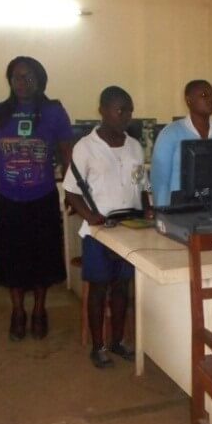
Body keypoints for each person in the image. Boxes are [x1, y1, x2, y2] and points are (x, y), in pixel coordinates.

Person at [0, 56, 73, 341]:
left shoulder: (53, 112)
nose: (22, 82)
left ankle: (39, 310)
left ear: (40, 80)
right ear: (9, 81)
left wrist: (71, 192)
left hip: (42, 198)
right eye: (16, 77)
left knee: (43, 259)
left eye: (28, 76)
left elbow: (67, 156)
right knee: (12, 260)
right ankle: (18, 311)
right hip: (8, 200)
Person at [63, 86, 150, 367]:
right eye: (120, 110)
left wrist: (147, 210)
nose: (126, 116)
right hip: (99, 232)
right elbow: (71, 191)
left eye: (129, 110)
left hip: (129, 228)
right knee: (99, 288)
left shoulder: (135, 146)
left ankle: (117, 342)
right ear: (102, 110)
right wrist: (89, 216)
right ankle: (98, 346)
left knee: (122, 287)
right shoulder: (85, 147)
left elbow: (141, 185)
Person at [150, 80, 212, 207]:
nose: (211, 100)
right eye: (204, 95)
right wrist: (162, 212)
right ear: (188, 100)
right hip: (179, 210)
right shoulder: (170, 134)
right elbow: (160, 182)